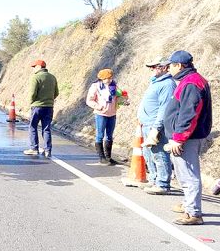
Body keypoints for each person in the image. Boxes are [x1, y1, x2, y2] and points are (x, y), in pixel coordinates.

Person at [163, 50, 213, 225]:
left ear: (179, 65)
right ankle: (188, 204)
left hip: (188, 138)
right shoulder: (189, 80)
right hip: (187, 136)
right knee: (184, 174)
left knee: (189, 175)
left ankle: (194, 213)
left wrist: (178, 138)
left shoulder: (191, 83)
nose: (168, 67)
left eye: (170, 65)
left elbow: (189, 114)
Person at [137, 58, 176, 195]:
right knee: (149, 154)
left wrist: (156, 128)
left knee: (159, 154)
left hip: (156, 125)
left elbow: (164, 108)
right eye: (151, 67)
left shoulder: (167, 84)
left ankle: (163, 183)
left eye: (155, 67)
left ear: (165, 67)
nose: (152, 69)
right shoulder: (156, 82)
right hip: (147, 123)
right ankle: (154, 180)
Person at [86, 68, 128, 165]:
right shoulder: (95, 86)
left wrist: (124, 101)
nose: (109, 80)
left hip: (112, 113)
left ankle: (108, 157)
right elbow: (89, 100)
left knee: (109, 136)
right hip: (101, 114)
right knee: (100, 135)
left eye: (110, 78)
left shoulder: (114, 85)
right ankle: (101, 157)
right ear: (101, 79)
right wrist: (98, 107)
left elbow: (118, 97)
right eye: (106, 78)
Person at [23, 59, 59, 158]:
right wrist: (49, 100)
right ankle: (48, 150)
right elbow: (56, 93)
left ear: (39, 67)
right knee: (46, 128)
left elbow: (32, 93)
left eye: (34, 67)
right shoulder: (52, 77)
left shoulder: (35, 77)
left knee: (33, 126)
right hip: (49, 107)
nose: (33, 69)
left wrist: (31, 102)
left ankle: (34, 148)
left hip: (37, 106)